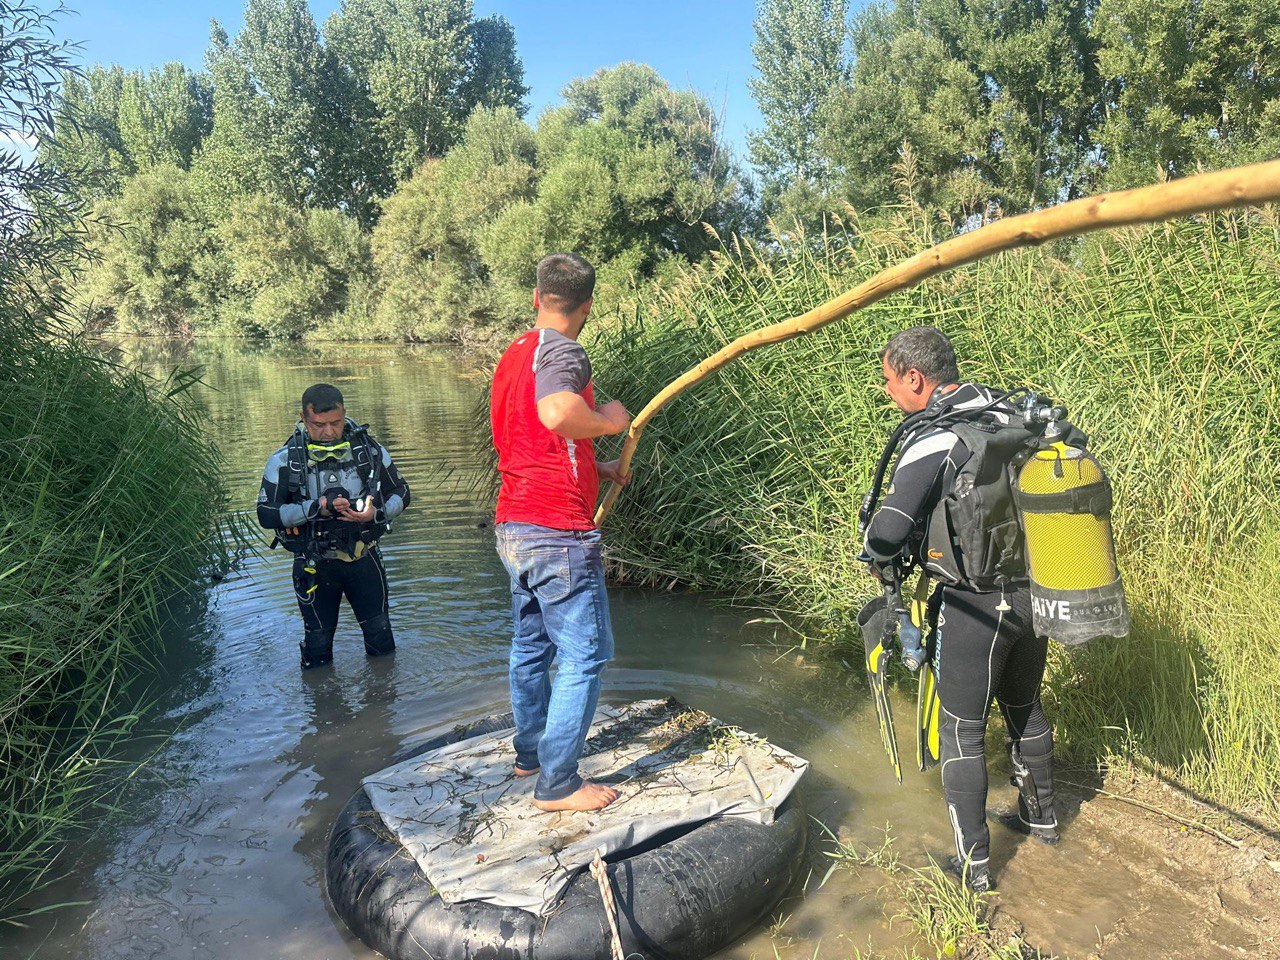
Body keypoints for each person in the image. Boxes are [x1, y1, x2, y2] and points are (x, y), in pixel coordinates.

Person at [862, 326, 1057, 892]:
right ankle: (1042, 822)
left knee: (961, 732)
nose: (888, 393)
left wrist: (875, 552)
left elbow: (888, 531)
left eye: (889, 382)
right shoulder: (1008, 413)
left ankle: (974, 871)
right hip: (1037, 590)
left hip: (975, 604)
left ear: (915, 378)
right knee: (1023, 705)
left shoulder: (935, 436)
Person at [489, 252, 632, 813]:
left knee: (530, 647)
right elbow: (555, 413)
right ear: (587, 306)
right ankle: (558, 783)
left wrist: (600, 465)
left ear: (536, 297)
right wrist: (610, 422)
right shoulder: (563, 350)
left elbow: (537, 439)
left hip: (516, 525)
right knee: (586, 654)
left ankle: (530, 755)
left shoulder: (515, 352)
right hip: (555, 532)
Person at [257, 383, 410, 669]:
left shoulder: (370, 451)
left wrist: (376, 514)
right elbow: (266, 514)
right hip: (313, 563)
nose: (328, 432)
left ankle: (385, 696)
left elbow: (402, 492)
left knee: (381, 640)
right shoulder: (285, 460)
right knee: (317, 646)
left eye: (335, 423)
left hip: (364, 558)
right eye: (319, 425)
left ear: (344, 413)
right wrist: (316, 508)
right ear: (304, 419)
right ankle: (319, 696)